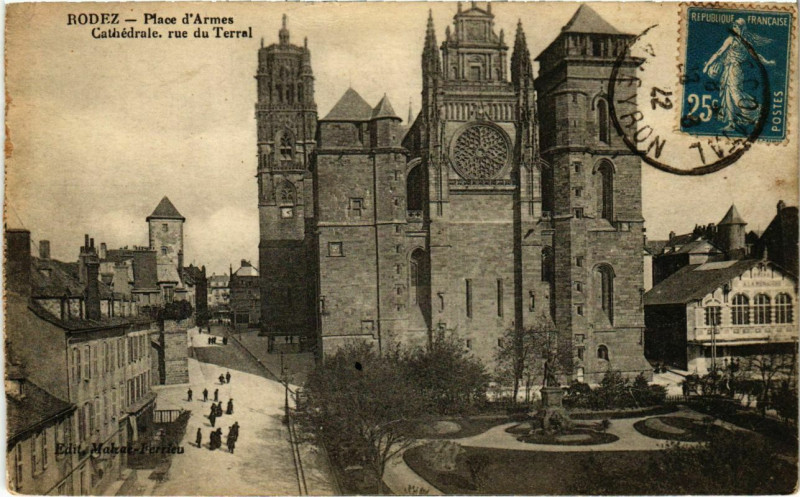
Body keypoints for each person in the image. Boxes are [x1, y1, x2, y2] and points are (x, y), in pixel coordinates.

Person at [703, 18, 776, 131]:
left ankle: (757, 113)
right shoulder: (731, 39)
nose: (734, 28)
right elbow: (719, 53)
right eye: (734, 26)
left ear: (742, 28)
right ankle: (731, 123)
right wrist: (708, 65)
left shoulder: (744, 42)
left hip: (735, 70)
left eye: (737, 26)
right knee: (728, 95)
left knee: (736, 95)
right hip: (728, 69)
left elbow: (756, 55)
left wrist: (767, 62)